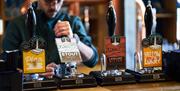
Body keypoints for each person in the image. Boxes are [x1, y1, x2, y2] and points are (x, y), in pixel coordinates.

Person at [2, 0, 98, 77]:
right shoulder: (17, 24)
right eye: (48, 1)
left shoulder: (73, 22)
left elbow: (92, 60)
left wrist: (74, 40)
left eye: (58, 1)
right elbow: (6, 63)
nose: (54, 6)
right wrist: (35, 70)